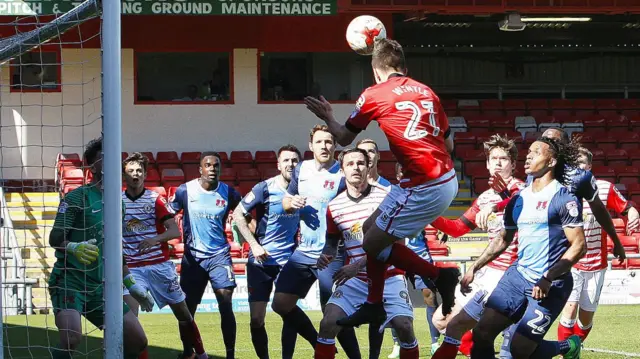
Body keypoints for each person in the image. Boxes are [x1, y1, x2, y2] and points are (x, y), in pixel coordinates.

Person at [304, 37, 460, 329]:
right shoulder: (427, 92)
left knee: (373, 242)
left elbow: (345, 138)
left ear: (376, 70)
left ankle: (440, 277)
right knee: (368, 231)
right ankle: (375, 305)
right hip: (442, 176)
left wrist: (327, 116)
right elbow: (449, 143)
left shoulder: (374, 93)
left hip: (425, 183)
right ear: (403, 66)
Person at [467, 137, 586, 359]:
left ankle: (568, 346)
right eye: (528, 152)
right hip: (517, 276)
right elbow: (504, 239)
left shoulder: (563, 198)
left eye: (537, 152)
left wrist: (548, 277)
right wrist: (475, 266)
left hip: (551, 284)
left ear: (551, 162)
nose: (529, 156)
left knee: (520, 350)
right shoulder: (518, 199)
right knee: (481, 333)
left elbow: (579, 246)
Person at [48, 137, 151, 359]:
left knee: (138, 340)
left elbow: (116, 247)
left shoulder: (118, 202)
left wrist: (131, 284)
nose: (111, 161)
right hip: (70, 280)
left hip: (100, 286)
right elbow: (55, 238)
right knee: (71, 338)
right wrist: (74, 246)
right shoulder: (76, 197)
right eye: (103, 157)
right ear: (91, 166)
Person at [428, 135, 523, 359]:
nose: (498, 163)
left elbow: (516, 200)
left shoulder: (521, 189)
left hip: (511, 273)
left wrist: (495, 206)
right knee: (440, 320)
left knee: (507, 344)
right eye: (494, 159)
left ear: (513, 164)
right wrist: (430, 215)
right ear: (487, 164)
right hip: (488, 271)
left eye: (504, 158)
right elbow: (457, 228)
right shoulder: (484, 198)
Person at [315, 148, 417, 359]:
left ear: (368, 167)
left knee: (404, 326)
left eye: (361, 163)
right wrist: (325, 255)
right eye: (350, 164)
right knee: (327, 323)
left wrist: (357, 265)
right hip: (356, 281)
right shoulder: (334, 207)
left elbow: (396, 242)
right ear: (342, 170)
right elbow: (331, 244)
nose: (356, 168)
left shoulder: (387, 197)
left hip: (389, 277)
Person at [272, 125, 361, 359]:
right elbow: (285, 202)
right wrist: (292, 204)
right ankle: (316, 342)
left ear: (335, 146)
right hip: (304, 251)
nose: (325, 146)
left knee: (332, 314)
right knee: (280, 304)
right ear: (311, 146)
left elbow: (353, 212)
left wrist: (334, 247)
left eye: (329, 142)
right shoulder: (301, 170)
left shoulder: (342, 174)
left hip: (332, 254)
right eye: (320, 142)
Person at [121, 152, 208, 359]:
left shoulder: (155, 199)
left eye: (139, 171)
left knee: (184, 315)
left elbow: (174, 232)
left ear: (145, 174)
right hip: (131, 268)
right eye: (131, 171)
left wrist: (153, 240)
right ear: (124, 175)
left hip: (159, 266)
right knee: (130, 320)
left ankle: (200, 355)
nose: (135, 174)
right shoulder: (117, 201)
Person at [557, 147, 639, 343]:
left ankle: (574, 347)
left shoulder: (604, 188)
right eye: (574, 164)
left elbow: (626, 208)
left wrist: (634, 213)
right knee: (569, 309)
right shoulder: (561, 189)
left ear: (590, 166)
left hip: (597, 263)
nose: (578, 167)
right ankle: (564, 354)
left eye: (582, 163)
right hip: (570, 261)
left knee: (585, 320)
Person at [232, 145, 302, 359]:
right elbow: (237, 214)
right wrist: (253, 245)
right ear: (278, 164)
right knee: (257, 319)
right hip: (260, 262)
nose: (291, 164)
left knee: (288, 312)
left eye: (295, 160)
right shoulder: (265, 187)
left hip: (289, 262)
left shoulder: (306, 189)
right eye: (286, 160)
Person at [170, 152, 241, 359]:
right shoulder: (185, 191)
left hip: (219, 255)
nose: (212, 168)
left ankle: (230, 355)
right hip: (193, 258)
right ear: (200, 169)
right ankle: (187, 352)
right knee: (187, 310)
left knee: (225, 302)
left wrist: (252, 237)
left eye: (216, 165)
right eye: (208, 165)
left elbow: (244, 215)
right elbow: (167, 214)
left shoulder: (229, 193)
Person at [388, 163, 441, 358]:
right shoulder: (390, 196)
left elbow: (436, 218)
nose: (406, 174)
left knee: (430, 297)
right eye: (403, 171)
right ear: (398, 173)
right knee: (395, 303)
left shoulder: (422, 196)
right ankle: (397, 344)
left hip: (420, 256)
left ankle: (435, 343)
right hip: (396, 257)